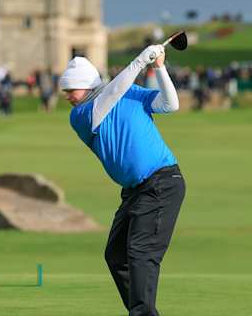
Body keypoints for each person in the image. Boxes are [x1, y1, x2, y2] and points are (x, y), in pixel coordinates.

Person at [61, 45, 184, 316]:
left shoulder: (130, 92)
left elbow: (170, 104)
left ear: (87, 85)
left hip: (161, 183)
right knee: (116, 255)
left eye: (71, 89)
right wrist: (140, 60)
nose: (67, 96)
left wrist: (159, 68)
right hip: (134, 191)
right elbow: (110, 96)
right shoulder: (81, 115)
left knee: (140, 253)